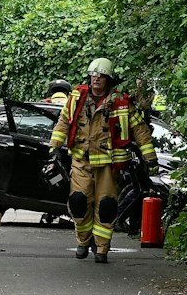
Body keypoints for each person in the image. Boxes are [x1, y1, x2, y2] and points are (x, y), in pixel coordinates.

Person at [50, 57, 158, 263]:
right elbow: (63, 122)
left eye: (101, 76)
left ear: (108, 79)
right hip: (82, 160)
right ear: (89, 77)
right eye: (93, 75)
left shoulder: (121, 102)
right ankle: (83, 241)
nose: (96, 79)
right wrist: (54, 148)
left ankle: (102, 248)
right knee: (78, 202)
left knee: (107, 206)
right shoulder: (77, 98)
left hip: (109, 165)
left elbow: (139, 130)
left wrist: (150, 157)